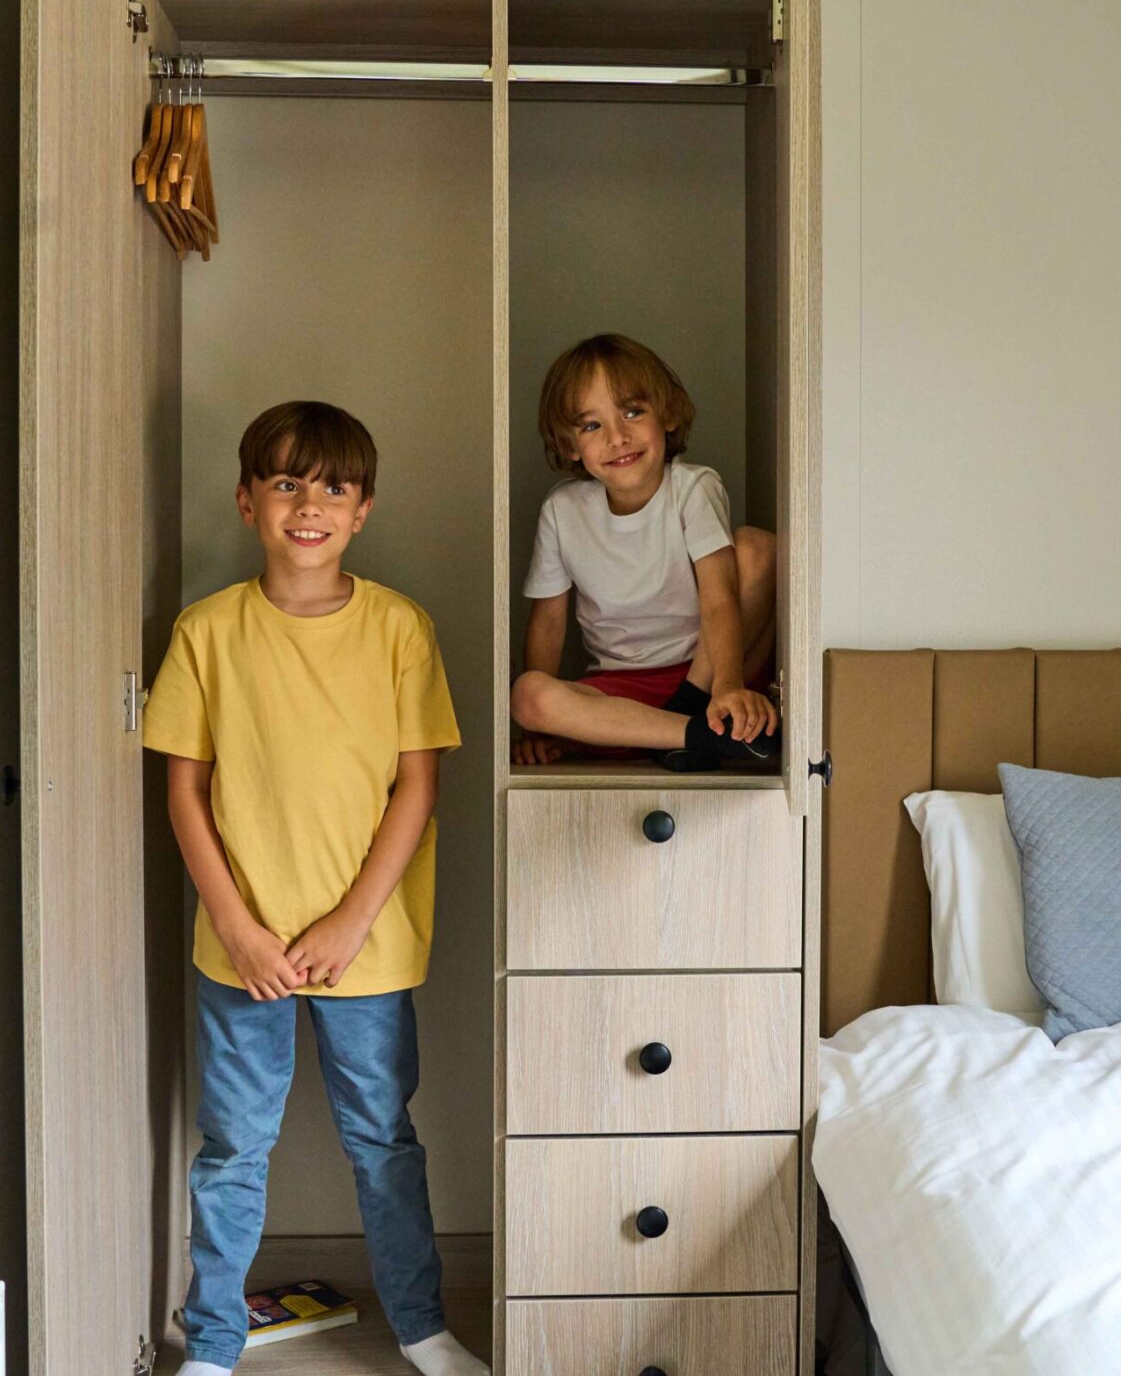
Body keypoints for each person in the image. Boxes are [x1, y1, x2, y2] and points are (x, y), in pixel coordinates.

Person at [143, 400, 487, 1376]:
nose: (309, 504)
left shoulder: (399, 629)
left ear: (363, 508)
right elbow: (184, 790)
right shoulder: (207, 632)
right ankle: (211, 1348)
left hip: (366, 945)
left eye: (332, 486)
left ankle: (423, 1330)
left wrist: (349, 921)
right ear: (247, 499)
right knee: (231, 1150)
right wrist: (237, 926)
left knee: (384, 1141)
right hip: (239, 947)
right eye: (287, 482)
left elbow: (418, 788)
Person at [511, 332, 779, 771]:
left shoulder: (692, 487)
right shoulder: (562, 511)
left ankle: (697, 715)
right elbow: (549, 622)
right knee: (527, 694)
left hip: (709, 674)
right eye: (591, 425)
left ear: (668, 415)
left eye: (633, 412)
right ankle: (692, 736)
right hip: (623, 696)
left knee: (758, 547)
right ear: (569, 445)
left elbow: (719, 600)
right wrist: (539, 733)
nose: (618, 437)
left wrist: (727, 686)